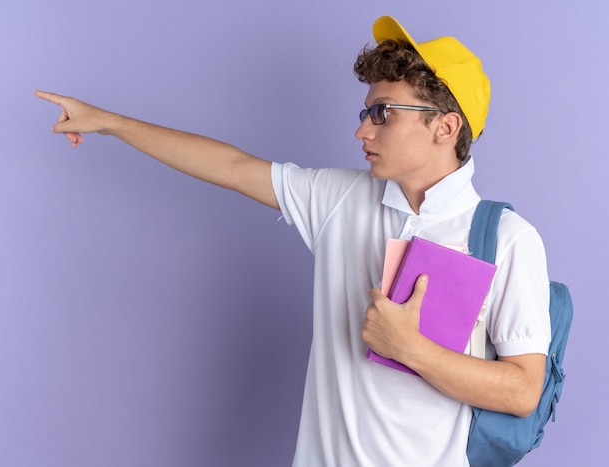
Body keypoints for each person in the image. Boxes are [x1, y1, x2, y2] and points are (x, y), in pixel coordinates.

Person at [36, 15, 551, 467]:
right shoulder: (341, 198)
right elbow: (234, 167)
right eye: (365, 113)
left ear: (445, 126)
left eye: (383, 114)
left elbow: (524, 390)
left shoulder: (507, 239)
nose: (363, 133)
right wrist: (109, 122)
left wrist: (411, 350)